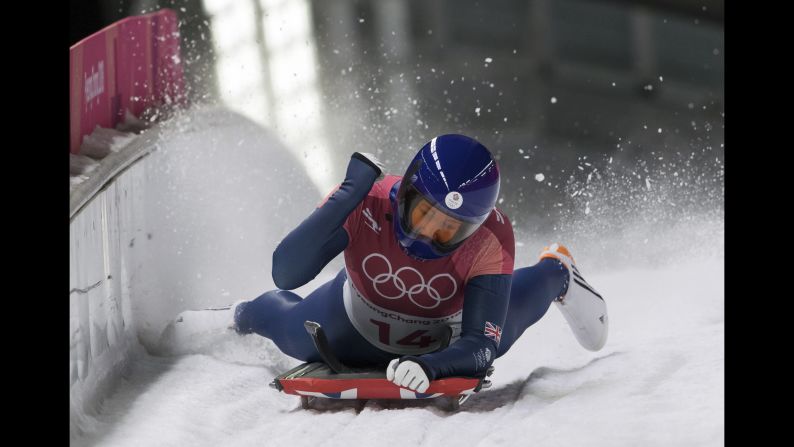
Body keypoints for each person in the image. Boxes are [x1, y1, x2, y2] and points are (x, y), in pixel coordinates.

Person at [165, 134, 608, 393]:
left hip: (447, 330)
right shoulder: (366, 199)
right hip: (352, 315)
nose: (424, 235)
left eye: (446, 231)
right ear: (405, 193)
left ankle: (558, 271)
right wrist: (345, 195)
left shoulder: (492, 238)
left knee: (511, 320)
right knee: (286, 326)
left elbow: (481, 345)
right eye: (421, 214)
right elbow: (287, 272)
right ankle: (234, 315)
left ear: (472, 228)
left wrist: (434, 367)